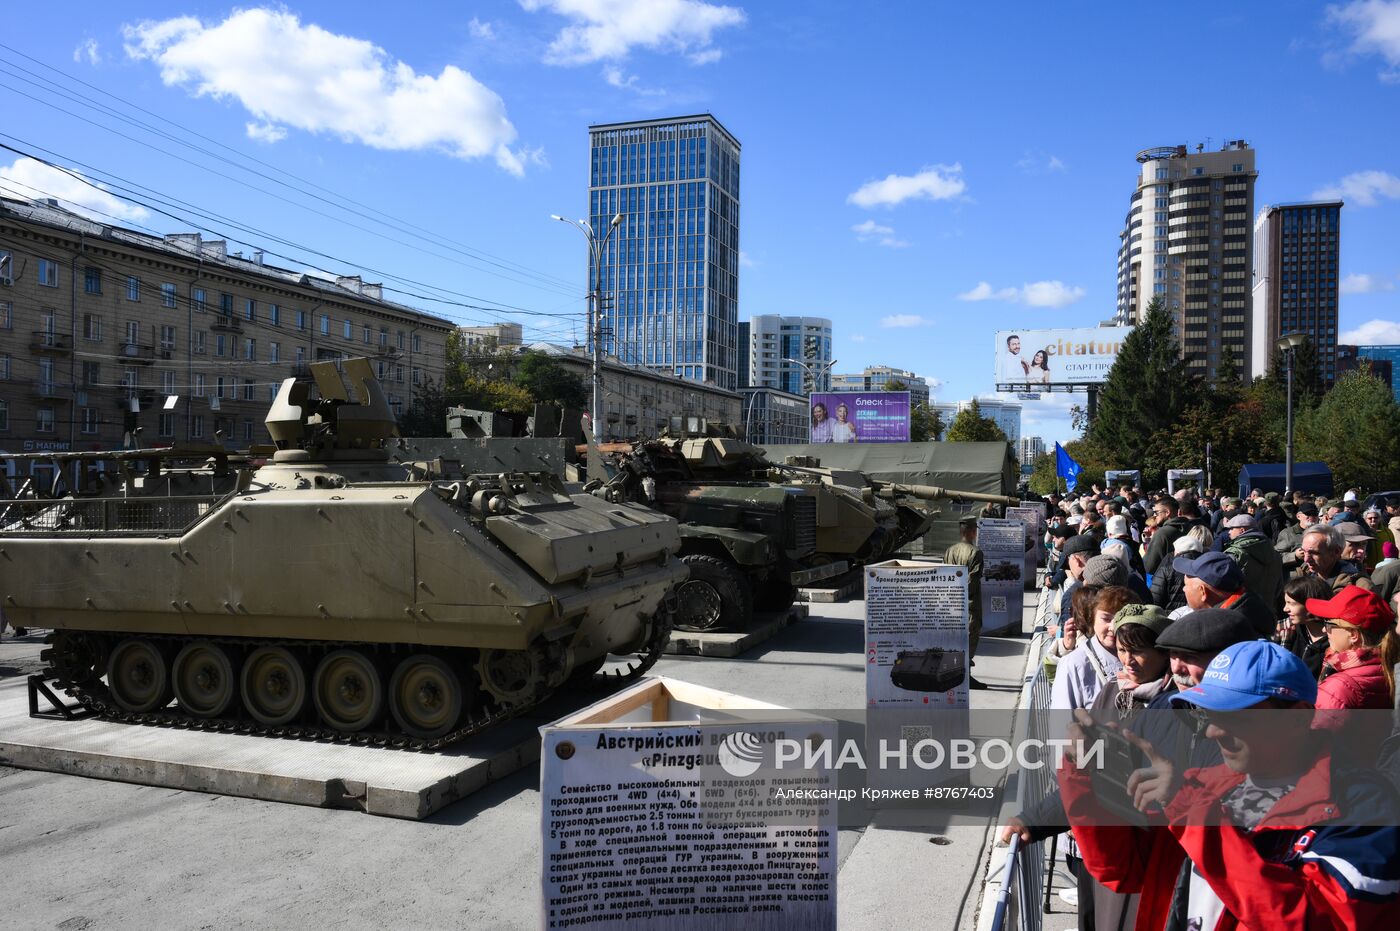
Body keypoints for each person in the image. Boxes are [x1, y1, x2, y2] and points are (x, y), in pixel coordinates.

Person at [1060, 640, 1400, 931]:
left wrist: (1192, 811)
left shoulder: (1364, 807)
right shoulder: (1204, 785)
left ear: (1298, 716)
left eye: (1235, 716)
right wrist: (1085, 777)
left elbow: (1314, 921)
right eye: (1208, 715)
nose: (1213, 732)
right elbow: (1124, 871)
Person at [1309, 585, 1397, 765]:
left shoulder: (1340, 687)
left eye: (1329, 624)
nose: (1325, 630)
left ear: (1354, 635)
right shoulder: (1390, 664)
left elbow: (1310, 746)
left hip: (1343, 783)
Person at [1051, 585, 1139, 713]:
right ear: (1092, 618)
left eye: (1122, 619)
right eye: (1106, 619)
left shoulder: (1145, 658)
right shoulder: (1073, 664)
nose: (1113, 627)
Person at [1174, 550, 1276, 637]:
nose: (1183, 589)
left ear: (1203, 592)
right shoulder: (1251, 612)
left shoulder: (1217, 635)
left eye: (1186, 585)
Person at [943, 515, 987, 690]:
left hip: (951, 604)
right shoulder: (975, 553)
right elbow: (972, 581)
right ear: (971, 531)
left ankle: (953, 674)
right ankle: (965, 677)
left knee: (954, 641)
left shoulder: (949, 551)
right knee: (969, 641)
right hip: (969, 606)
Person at [1279, 573, 1337, 678]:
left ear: (1312, 604)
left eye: (1291, 603)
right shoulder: (1287, 630)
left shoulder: (1337, 641)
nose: (1285, 609)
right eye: (1286, 603)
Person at [1223, 513, 1284, 611]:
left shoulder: (1235, 553)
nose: (1229, 532)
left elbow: (1224, 588)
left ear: (1241, 530)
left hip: (1240, 612)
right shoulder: (1275, 553)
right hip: (1267, 611)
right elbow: (1279, 586)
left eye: (1231, 528)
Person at [1295, 524, 1373, 595]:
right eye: (1304, 551)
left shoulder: (1360, 586)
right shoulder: (1302, 575)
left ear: (1336, 552)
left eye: (1314, 553)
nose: (1306, 559)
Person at [1152, 526, 1212, 613]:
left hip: (1169, 617)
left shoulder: (1168, 565)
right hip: (1198, 615)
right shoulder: (1209, 566)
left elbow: (1155, 597)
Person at [1143, 497, 1190, 576]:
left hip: (1166, 580)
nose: (1154, 516)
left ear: (1167, 512)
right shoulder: (1190, 528)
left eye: (1157, 512)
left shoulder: (1162, 533)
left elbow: (1148, 566)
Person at [1275, 501, 1318, 573]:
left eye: (1314, 514)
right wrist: (1294, 556)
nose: (1311, 517)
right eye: (1308, 514)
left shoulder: (1322, 533)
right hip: (1298, 578)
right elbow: (1275, 556)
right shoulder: (1288, 533)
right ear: (1298, 516)